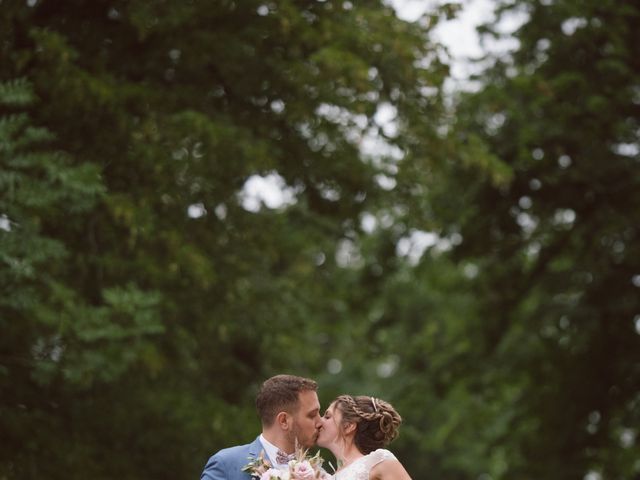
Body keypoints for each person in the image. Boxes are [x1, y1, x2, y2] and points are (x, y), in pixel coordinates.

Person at [201, 374, 322, 480]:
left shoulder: (318, 473)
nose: (320, 422)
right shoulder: (226, 464)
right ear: (284, 421)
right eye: (312, 415)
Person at [317, 395, 412, 480]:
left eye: (327, 417)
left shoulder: (378, 461)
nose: (319, 422)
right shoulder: (326, 477)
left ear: (348, 426)